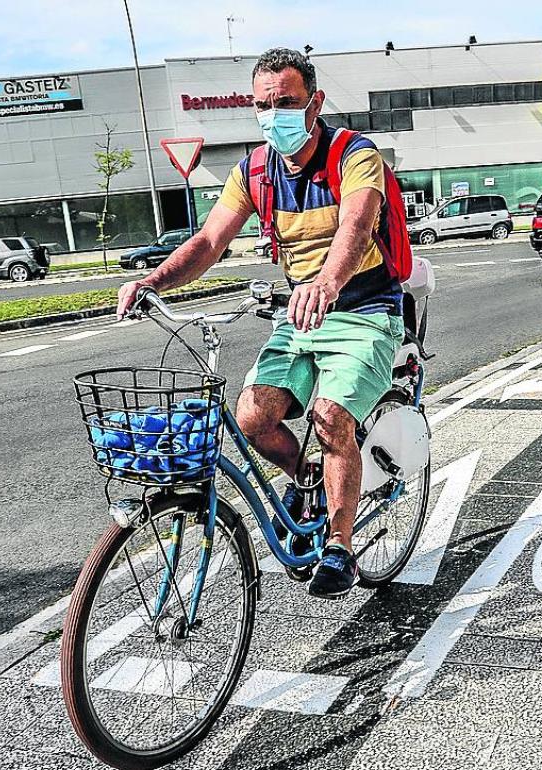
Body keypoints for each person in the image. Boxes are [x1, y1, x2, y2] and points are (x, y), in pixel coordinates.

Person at [116, 47, 404, 598]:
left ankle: (339, 546)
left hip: (364, 308)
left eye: (287, 102)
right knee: (250, 418)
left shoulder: (353, 156)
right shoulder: (252, 171)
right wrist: (154, 281)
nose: (275, 114)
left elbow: (358, 225)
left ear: (315, 103)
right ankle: (309, 479)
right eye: (264, 105)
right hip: (302, 315)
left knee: (330, 417)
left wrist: (326, 281)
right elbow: (208, 241)